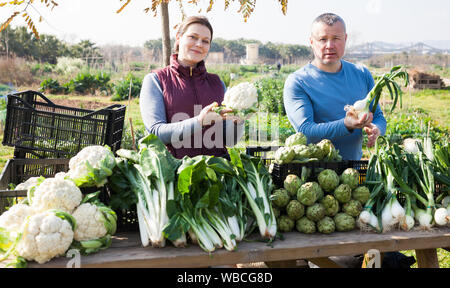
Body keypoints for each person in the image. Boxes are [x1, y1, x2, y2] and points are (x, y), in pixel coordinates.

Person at [283, 13, 386, 160]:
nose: (329, 46)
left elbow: (378, 117)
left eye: (336, 39)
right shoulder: (298, 81)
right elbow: (305, 130)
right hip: (315, 175)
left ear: (345, 39)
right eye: (323, 39)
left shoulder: (362, 74)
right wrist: (346, 125)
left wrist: (378, 129)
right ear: (312, 42)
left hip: (354, 171)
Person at [140, 16, 243, 159]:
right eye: (193, 37)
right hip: (175, 173)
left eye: (205, 41)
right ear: (179, 37)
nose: (199, 44)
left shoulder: (217, 83)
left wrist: (238, 121)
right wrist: (199, 122)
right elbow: (156, 133)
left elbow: (230, 141)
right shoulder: (156, 80)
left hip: (218, 173)